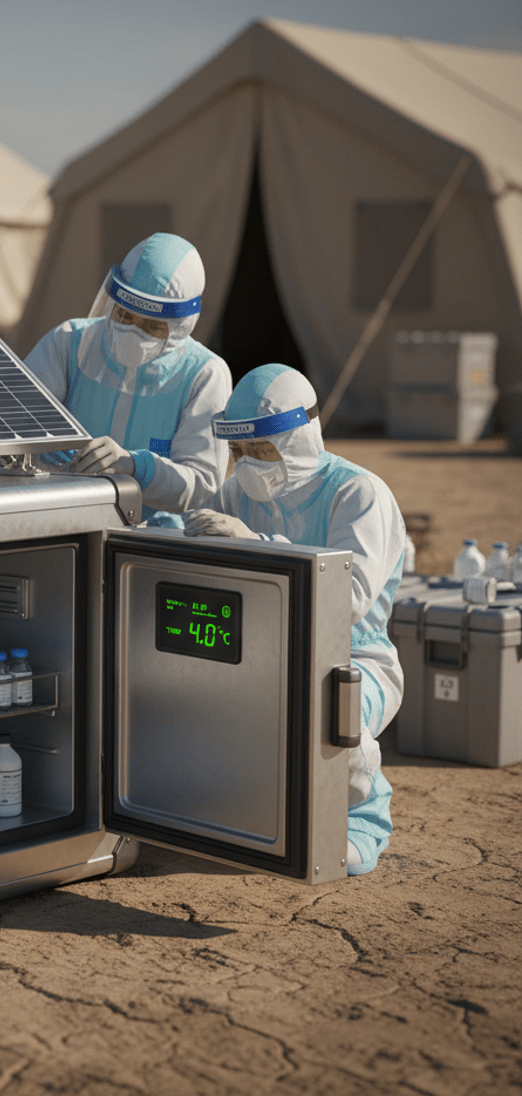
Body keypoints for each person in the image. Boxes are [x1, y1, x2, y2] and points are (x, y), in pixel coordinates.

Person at [183, 363, 405, 876]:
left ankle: (362, 827)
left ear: (300, 436)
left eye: (262, 451)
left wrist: (258, 546)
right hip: (263, 653)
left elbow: (346, 600)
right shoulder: (239, 490)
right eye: (239, 452)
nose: (247, 465)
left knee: (330, 710)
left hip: (356, 662)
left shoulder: (359, 493)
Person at [24, 232, 231, 522]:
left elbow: (200, 486)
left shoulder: (204, 375)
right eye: (124, 315)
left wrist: (136, 467)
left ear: (181, 325)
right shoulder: (70, 343)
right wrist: (47, 450)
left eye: (151, 325)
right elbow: (13, 430)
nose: (133, 330)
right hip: (61, 525)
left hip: (150, 546)